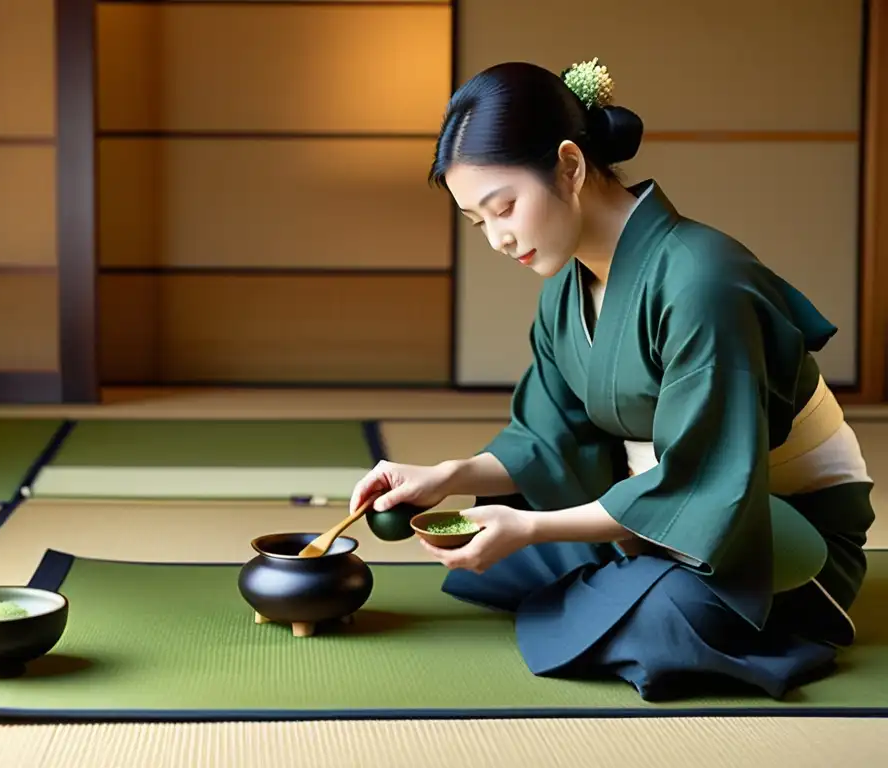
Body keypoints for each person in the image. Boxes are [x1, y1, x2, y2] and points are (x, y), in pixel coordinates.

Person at [349, 59, 876, 701]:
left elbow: (705, 483)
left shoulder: (701, 281)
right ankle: (623, 569)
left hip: (774, 528)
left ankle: (657, 585)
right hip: (670, 509)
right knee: (512, 544)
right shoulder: (566, 288)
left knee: (658, 621)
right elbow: (549, 440)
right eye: (478, 221)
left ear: (570, 166)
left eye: (504, 207)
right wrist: (445, 476)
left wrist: (537, 530)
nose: (496, 238)